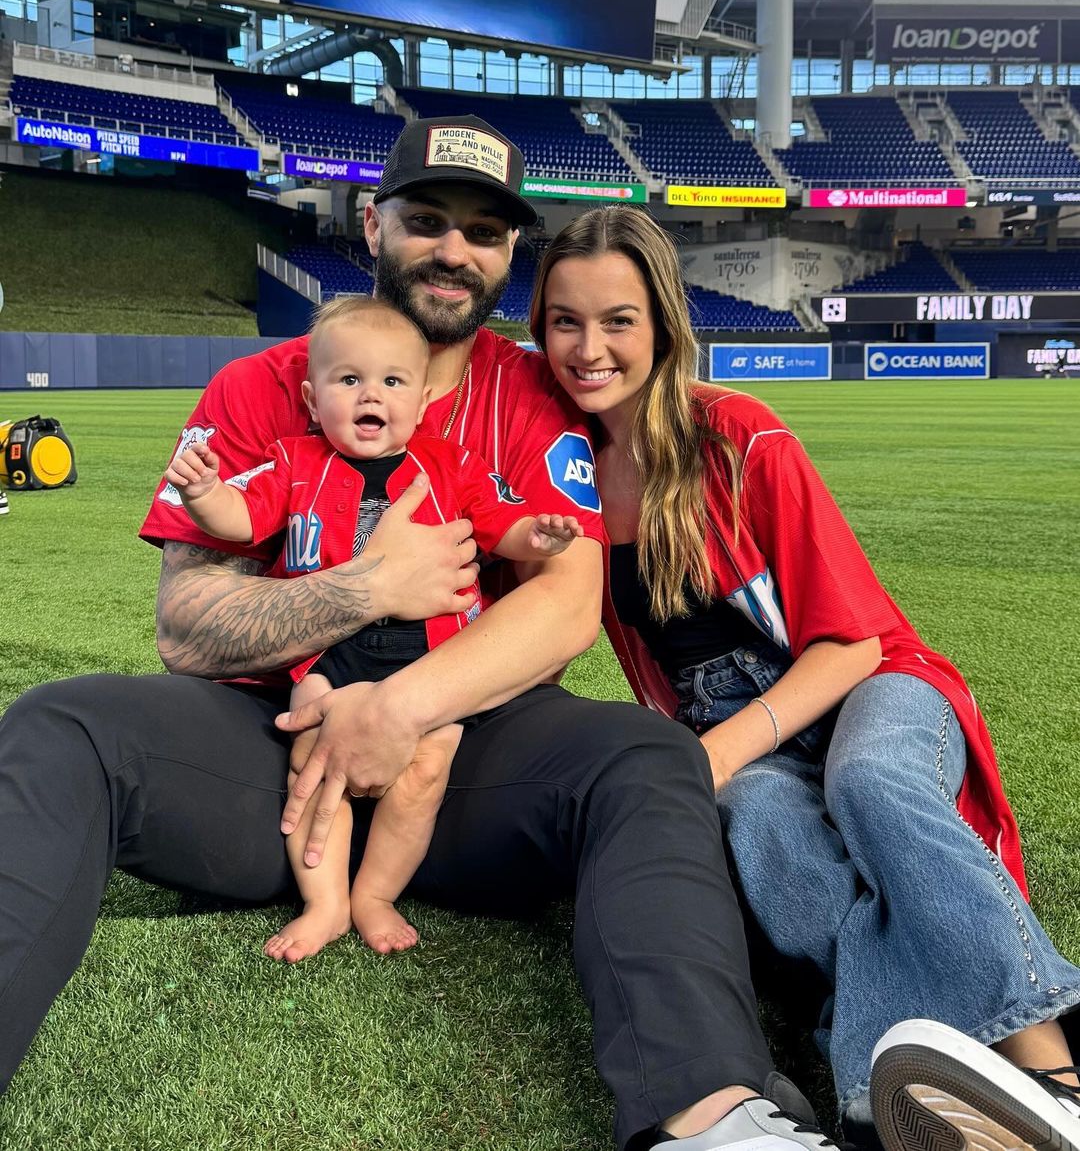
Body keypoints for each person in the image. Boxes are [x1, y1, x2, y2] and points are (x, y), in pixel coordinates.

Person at [0, 116, 833, 1151]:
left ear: (508, 256)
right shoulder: (259, 389)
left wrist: (398, 709)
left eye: (484, 233)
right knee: (63, 725)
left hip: (476, 755)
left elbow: (567, 603)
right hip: (277, 761)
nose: (454, 251)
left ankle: (711, 1119)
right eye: (428, 220)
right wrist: (364, 588)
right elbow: (186, 627)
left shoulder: (534, 393)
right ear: (371, 224)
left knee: (646, 757)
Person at [528, 204, 1080, 1151]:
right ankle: (933, 1095)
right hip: (730, 720)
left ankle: (1047, 1065)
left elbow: (854, 642)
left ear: (661, 321)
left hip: (868, 680)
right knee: (768, 830)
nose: (589, 346)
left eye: (617, 318)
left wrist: (714, 755)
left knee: (867, 780)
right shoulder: (566, 477)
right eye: (564, 320)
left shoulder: (738, 433)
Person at [163, 293, 582, 960]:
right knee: (309, 746)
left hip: (429, 657)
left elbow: (503, 526)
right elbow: (242, 520)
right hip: (330, 652)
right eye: (348, 379)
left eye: (392, 381)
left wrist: (543, 532)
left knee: (428, 765)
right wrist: (205, 493)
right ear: (311, 395)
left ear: (420, 404)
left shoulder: (451, 465)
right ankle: (325, 899)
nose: (371, 395)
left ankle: (376, 893)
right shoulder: (294, 462)